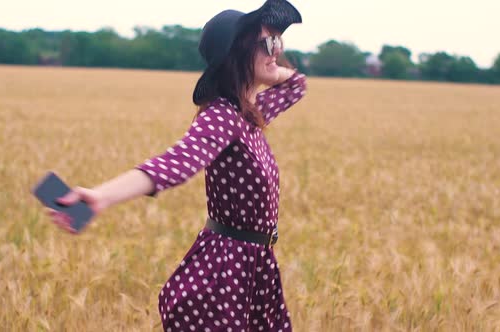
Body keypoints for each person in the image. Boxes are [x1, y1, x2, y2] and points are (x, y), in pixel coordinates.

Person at [47, 0, 307, 330]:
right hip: (225, 273)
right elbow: (174, 163)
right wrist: (102, 196)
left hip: (255, 269)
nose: (278, 51)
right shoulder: (222, 117)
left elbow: (297, 84)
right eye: (268, 42)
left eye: (279, 41)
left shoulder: (249, 114)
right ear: (236, 55)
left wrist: (265, 63)